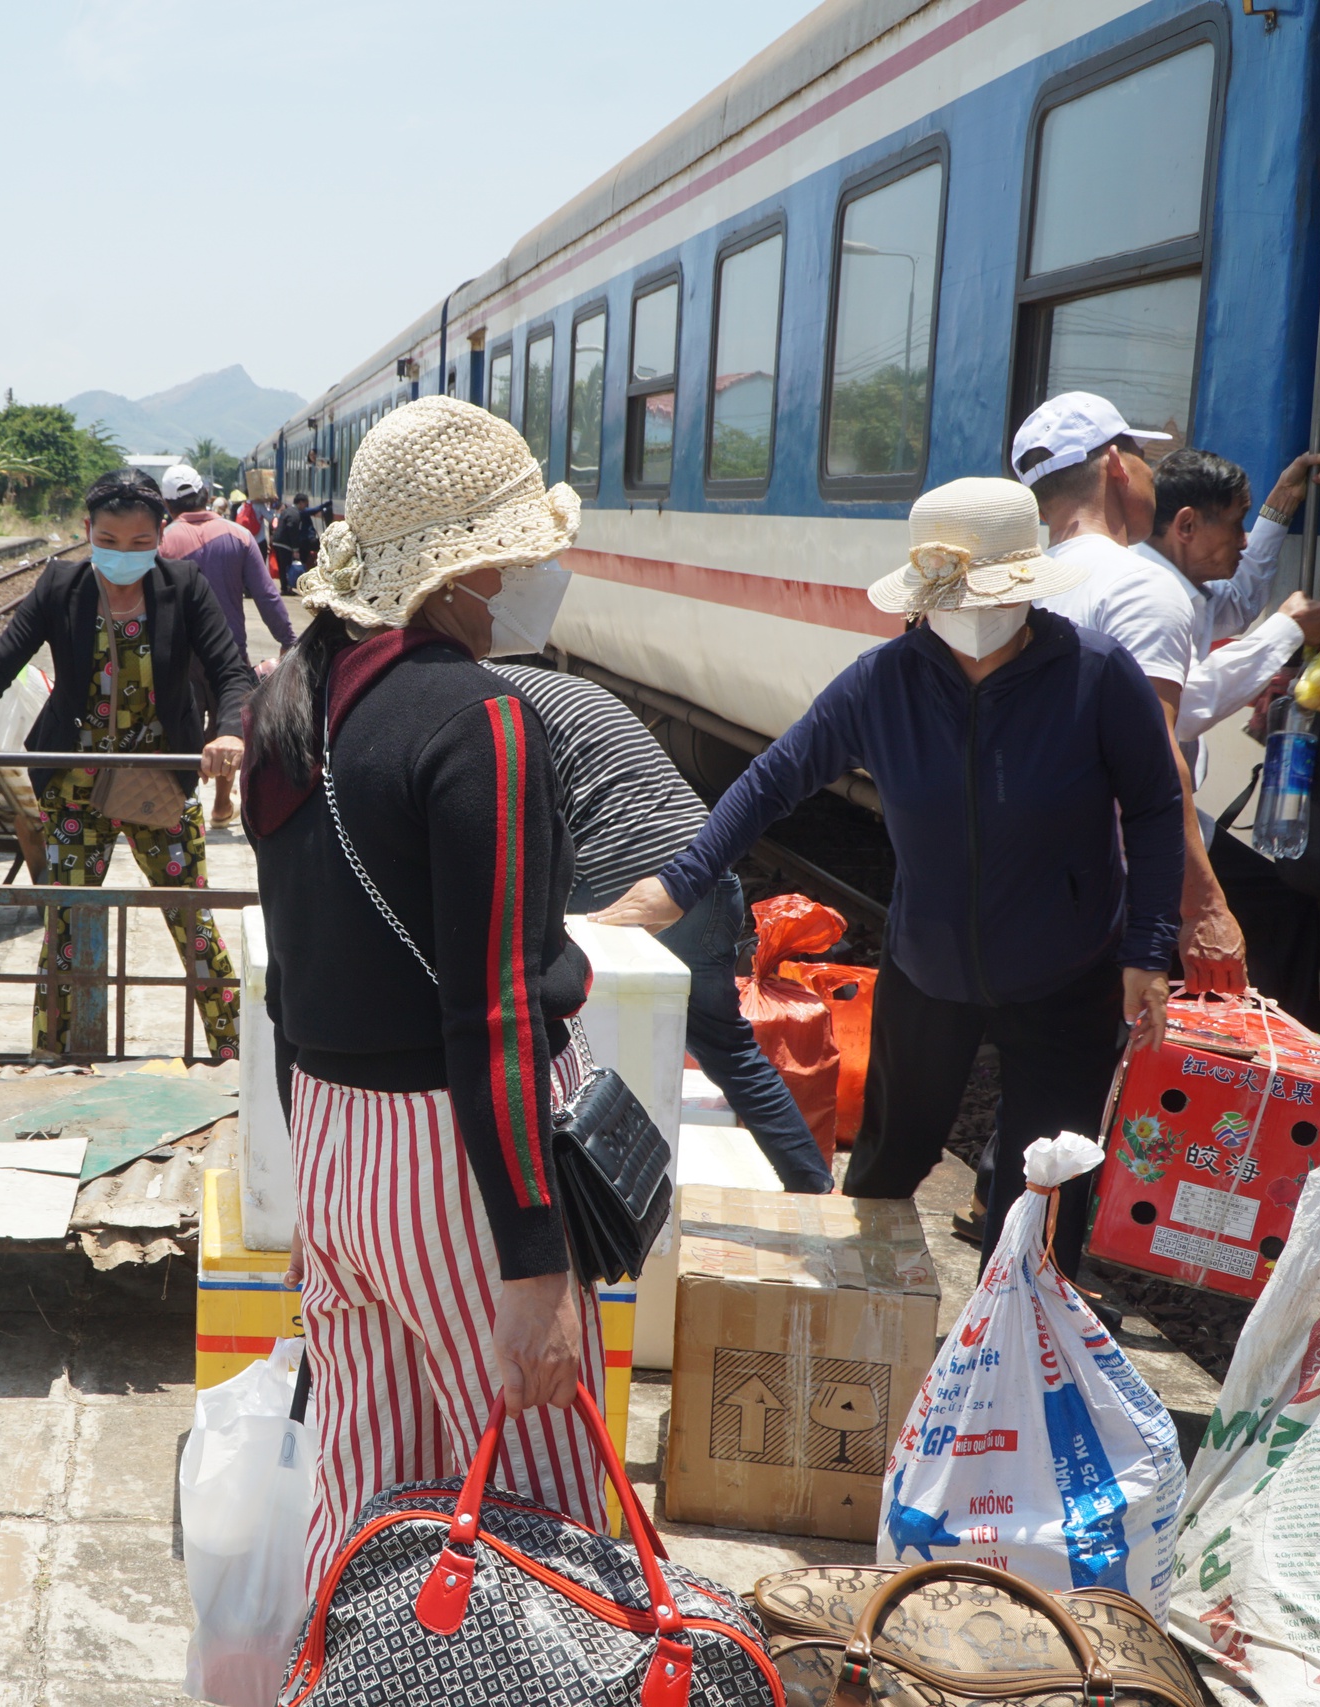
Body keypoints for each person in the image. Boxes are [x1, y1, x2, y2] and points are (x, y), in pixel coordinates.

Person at [596, 477, 1185, 1280]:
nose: (971, 613)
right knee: (884, 1165)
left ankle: (1016, 1361)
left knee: (1045, 1192)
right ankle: (862, 1328)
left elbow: (1154, 807)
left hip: (1068, 974)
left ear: (1026, 588)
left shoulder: (1097, 675)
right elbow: (774, 778)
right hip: (927, 971)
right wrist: (677, 884)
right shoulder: (884, 682)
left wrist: (1148, 949)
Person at [241, 396, 603, 1590]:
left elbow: (291, 983)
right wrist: (535, 1264)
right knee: (535, 1522)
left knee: (369, 1510)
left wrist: (318, 1194)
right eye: (523, 554)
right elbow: (492, 1011)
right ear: (467, 571)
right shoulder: (482, 720)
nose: (539, 574)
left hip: (339, 1153)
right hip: (463, 1166)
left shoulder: (292, 708)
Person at [0, 470, 252, 1060]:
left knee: (192, 921)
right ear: (87, 532)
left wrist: (228, 731)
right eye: (108, 540)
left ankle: (235, 1057)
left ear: (160, 536)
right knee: (68, 925)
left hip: (159, 785)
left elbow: (231, 672)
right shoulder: (61, 585)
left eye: (137, 543)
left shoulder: (184, 585)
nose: (121, 555)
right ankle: (52, 1056)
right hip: (74, 785)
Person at [490, 660, 834, 1192]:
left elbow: (526, 829)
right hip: (703, 873)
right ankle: (813, 1189)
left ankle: (596, 1199)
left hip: (625, 877)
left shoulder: (480, 707)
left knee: (568, 1035)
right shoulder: (540, 684)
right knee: (729, 1048)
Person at [1018, 393, 1246, 995]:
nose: (1151, 471)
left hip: (1033, 882)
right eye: (1145, 457)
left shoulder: (1024, 585)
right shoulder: (1140, 586)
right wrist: (1203, 911)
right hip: (1109, 894)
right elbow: (1157, 764)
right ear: (1118, 466)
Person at [1138, 446, 1320, 1016]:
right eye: (1235, 523)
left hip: (1156, 811)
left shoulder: (1180, 579)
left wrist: (1282, 501)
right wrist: (1284, 633)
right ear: (1185, 525)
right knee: (1276, 905)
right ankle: (1271, 1065)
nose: (1244, 540)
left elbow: (1241, 595)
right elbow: (1186, 706)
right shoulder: (1153, 598)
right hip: (1141, 820)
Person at [161, 462, 294, 826]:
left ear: (167, 504)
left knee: (180, 728)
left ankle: (183, 808)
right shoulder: (238, 536)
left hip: (178, 656)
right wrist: (287, 639)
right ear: (205, 496)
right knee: (228, 729)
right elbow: (267, 596)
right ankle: (221, 805)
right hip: (228, 655)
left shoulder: (162, 542)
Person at [269, 490, 322, 588]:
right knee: (287, 565)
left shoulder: (288, 510)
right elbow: (292, 531)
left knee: (282, 566)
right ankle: (287, 586)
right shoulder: (295, 514)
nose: (305, 507)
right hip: (284, 543)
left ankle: (284, 587)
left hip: (278, 541)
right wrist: (295, 549)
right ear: (301, 503)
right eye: (305, 505)